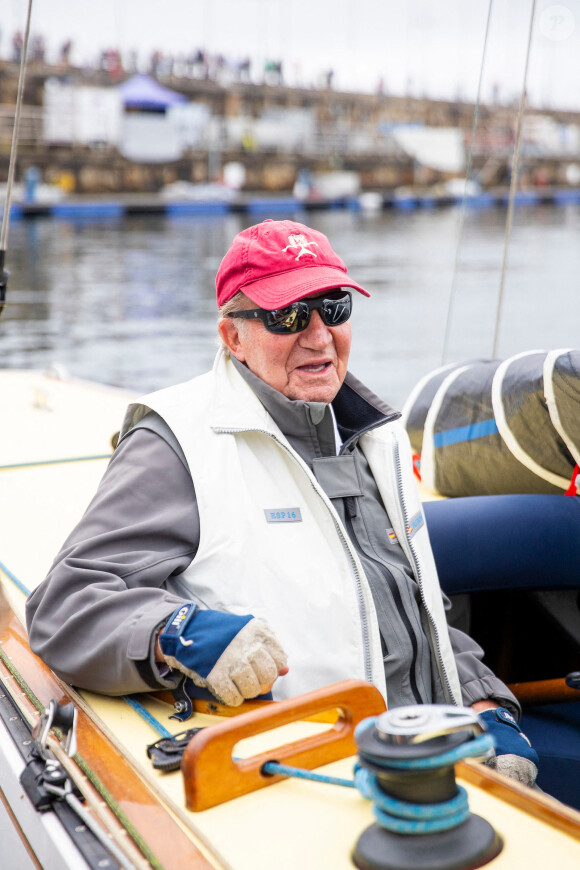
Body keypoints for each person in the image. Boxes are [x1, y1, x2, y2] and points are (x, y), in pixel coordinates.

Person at [26, 219, 538, 787]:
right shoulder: (177, 444)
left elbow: (414, 609)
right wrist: (181, 632)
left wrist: (486, 706)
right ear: (232, 337)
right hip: (309, 775)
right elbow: (64, 605)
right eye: (287, 316)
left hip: (429, 758)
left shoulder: (379, 437)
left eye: (333, 306)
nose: (319, 336)